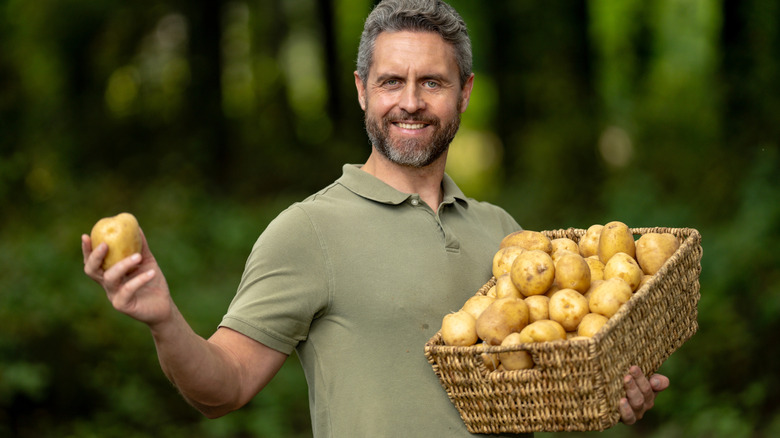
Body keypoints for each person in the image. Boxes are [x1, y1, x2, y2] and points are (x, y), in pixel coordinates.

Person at [82, 0, 669, 436]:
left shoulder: (508, 236)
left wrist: (607, 392)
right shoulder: (308, 231)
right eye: (392, 81)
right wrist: (163, 320)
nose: (410, 101)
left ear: (463, 94)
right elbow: (223, 388)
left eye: (432, 82)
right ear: (363, 90)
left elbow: (536, 386)